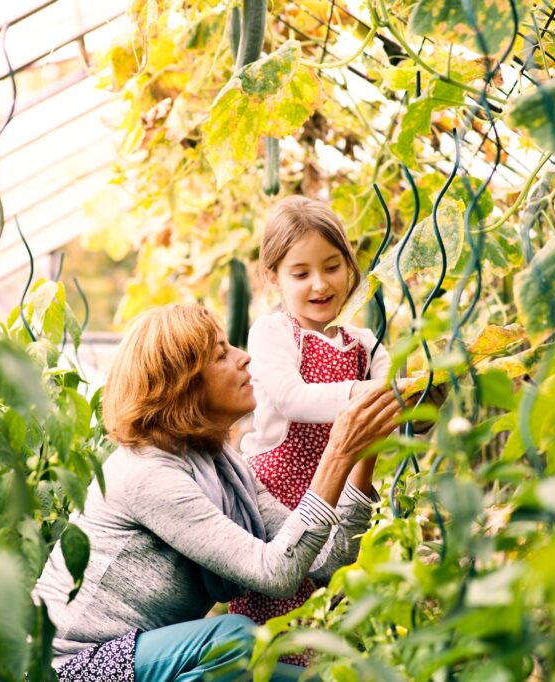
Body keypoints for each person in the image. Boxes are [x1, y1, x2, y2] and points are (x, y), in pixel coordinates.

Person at [32, 304, 401, 681]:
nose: (245, 358)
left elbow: (325, 563)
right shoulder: (147, 473)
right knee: (235, 640)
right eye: (222, 354)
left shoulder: (222, 465)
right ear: (183, 384)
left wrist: (364, 450)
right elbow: (275, 573)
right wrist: (337, 453)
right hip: (70, 669)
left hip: (137, 660)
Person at [229, 197, 391, 659]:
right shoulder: (273, 331)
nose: (320, 284)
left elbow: (397, 415)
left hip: (340, 499)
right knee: (280, 626)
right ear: (272, 277)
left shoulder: (365, 343)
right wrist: (368, 395)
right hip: (275, 501)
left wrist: (420, 396)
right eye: (300, 274)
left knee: (331, 622)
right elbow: (290, 398)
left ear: (349, 266)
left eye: (332, 266)